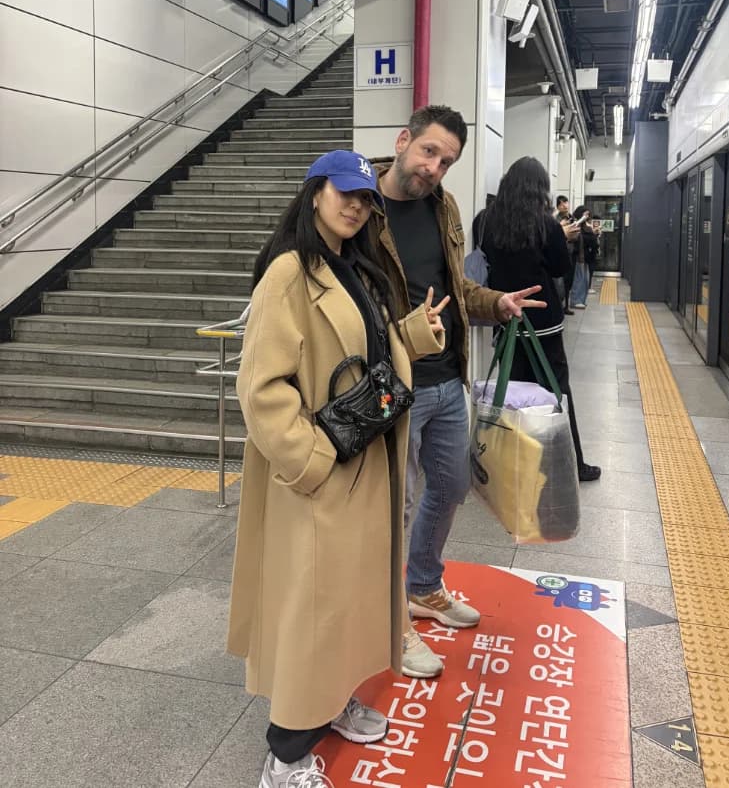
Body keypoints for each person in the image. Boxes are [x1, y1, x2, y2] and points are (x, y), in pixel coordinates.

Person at [228, 150, 448, 788]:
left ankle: (331, 703)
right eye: (343, 192)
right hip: (326, 475)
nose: (355, 204)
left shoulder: (352, 267)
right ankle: (286, 754)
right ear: (314, 193)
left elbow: (369, 355)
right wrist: (314, 460)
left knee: (345, 607)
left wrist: (414, 333)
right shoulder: (288, 275)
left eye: (364, 197)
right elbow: (262, 391)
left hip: (365, 465)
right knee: (313, 614)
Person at [369, 106, 545, 679]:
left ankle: (422, 587)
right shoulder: (358, 205)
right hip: (393, 387)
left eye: (446, 161)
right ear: (403, 141)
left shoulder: (443, 207)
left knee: (450, 486)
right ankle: (389, 624)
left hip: (448, 380)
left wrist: (496, 303)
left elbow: (452, 286)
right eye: (428, 152)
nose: (434, 167)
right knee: (388, 510)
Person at [479, 157, 601, 483]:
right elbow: (560, 268)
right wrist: (561, 237)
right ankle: (571, 464)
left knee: (510, 394)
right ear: (540, 189)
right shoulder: (545, 224)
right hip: (544, 322)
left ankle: (506, 464)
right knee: (556, 392)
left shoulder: (485, 220)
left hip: (505, 317)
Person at [570, 205, 599, 310]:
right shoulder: (575, 224)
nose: (587, 216)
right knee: (579, 279)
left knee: (585, 280)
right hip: (579, 257)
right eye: (585, 214)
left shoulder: (587, 226)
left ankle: (581, 300)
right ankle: (575, 300)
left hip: (587, 257)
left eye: (588, 214)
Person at [555, 196, 577, 315]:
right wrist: (561, 226)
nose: (564, 205)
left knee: (568, 281)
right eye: (561, 203)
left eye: (566, 202)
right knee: (560, 282)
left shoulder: (572, 217)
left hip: (571, 252)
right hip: (560, 252)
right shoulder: (555, 218)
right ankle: (559, 306)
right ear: (557, 206)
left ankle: (566, 306)